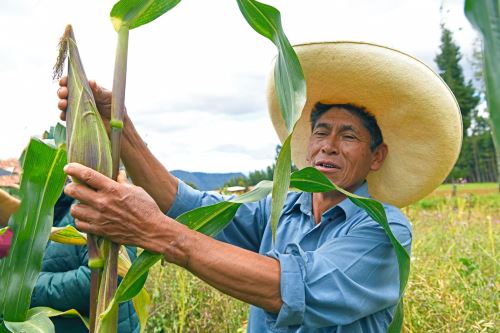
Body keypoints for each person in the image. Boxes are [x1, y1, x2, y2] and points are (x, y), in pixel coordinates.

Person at [57, 42, 462, 332]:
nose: (329, 146)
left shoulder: (383, 230)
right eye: (320, 132)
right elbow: (188, 208)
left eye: (349, 136)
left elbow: (293, 289)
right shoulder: (281, 208)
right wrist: (121, 127)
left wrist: (151, 231)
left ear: (377, 157)